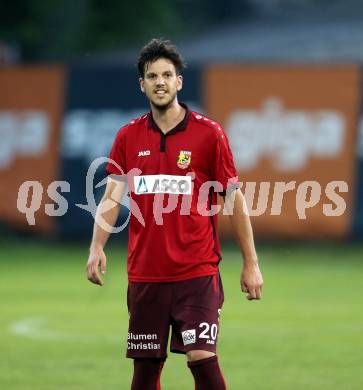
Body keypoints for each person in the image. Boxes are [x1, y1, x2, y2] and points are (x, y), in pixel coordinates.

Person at [86, 38, 263, 390]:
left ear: (179, 81)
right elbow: (112, 196)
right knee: (146, 368)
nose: (160, 82)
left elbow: (234, 200)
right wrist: (96, 247)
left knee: (201, 357)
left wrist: (251, 263)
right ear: (143, 84)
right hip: (146, 275)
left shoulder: (208, 134)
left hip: (196, 273)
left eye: (167, 74)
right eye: (152, 76)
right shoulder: (128, 136)